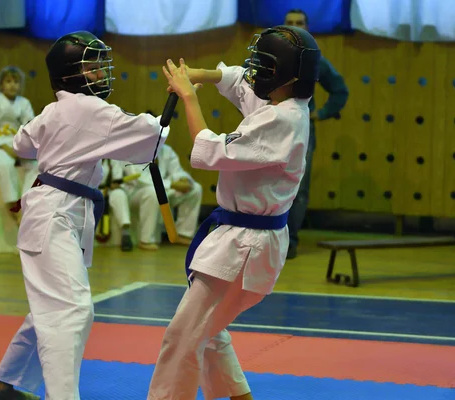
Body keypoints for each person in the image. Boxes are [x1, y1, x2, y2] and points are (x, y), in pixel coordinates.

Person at [0, 31, 170, 400]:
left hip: (59, 210)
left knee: (48, 309)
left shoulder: (54, 109)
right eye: (93, 67)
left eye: (101, 66)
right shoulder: (89, 109)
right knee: (71, 310)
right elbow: (153, 137)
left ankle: (1, 385)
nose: (102, 74)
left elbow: (22, 142)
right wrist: (176, 103)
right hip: (55, 214)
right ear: (70, 75)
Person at [147, 25, 320, 400]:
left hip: (246, 245)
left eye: (262, 64)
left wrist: (189, 97)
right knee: (207, 332)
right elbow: (238, 80)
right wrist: (200, 75)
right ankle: (238, 396)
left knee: (183, 337)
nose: (253, 70)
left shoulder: (283, 120)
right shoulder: (282, 103)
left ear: (282, 74)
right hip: (241, 240)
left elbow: (211, 152)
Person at [284, 9, 348, 259]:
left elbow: (340, 90)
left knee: (298, 189)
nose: (295, 26)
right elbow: (243, 81)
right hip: (271, 127)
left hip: (303, 130)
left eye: (300, 23)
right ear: (283, 27)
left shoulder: (315, 59)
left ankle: (290, 242)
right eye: (290, 23)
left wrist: (320, 114)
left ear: (307, 28)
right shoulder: (267, 54)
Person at [0, 66, 38, 223]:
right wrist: (7, 148)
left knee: (36, 165)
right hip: (0, 145)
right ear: (1, 85)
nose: (12, 85)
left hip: (19, 143)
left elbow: (30, 126)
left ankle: (26, 203)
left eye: (16, 82)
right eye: (8, 81)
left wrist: (23, 146)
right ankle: (13, 205)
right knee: (4, 164)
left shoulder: (24, 103)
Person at [123, 143, 202, 250]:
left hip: (163, 189)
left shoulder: (166, 150)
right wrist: (172, 184)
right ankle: (146, 240)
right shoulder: (133, 149)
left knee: (195, 189)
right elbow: (141, 179)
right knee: (153, 191)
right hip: (135, 193)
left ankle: (183, 234)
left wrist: (183, 179)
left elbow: (176, 171)